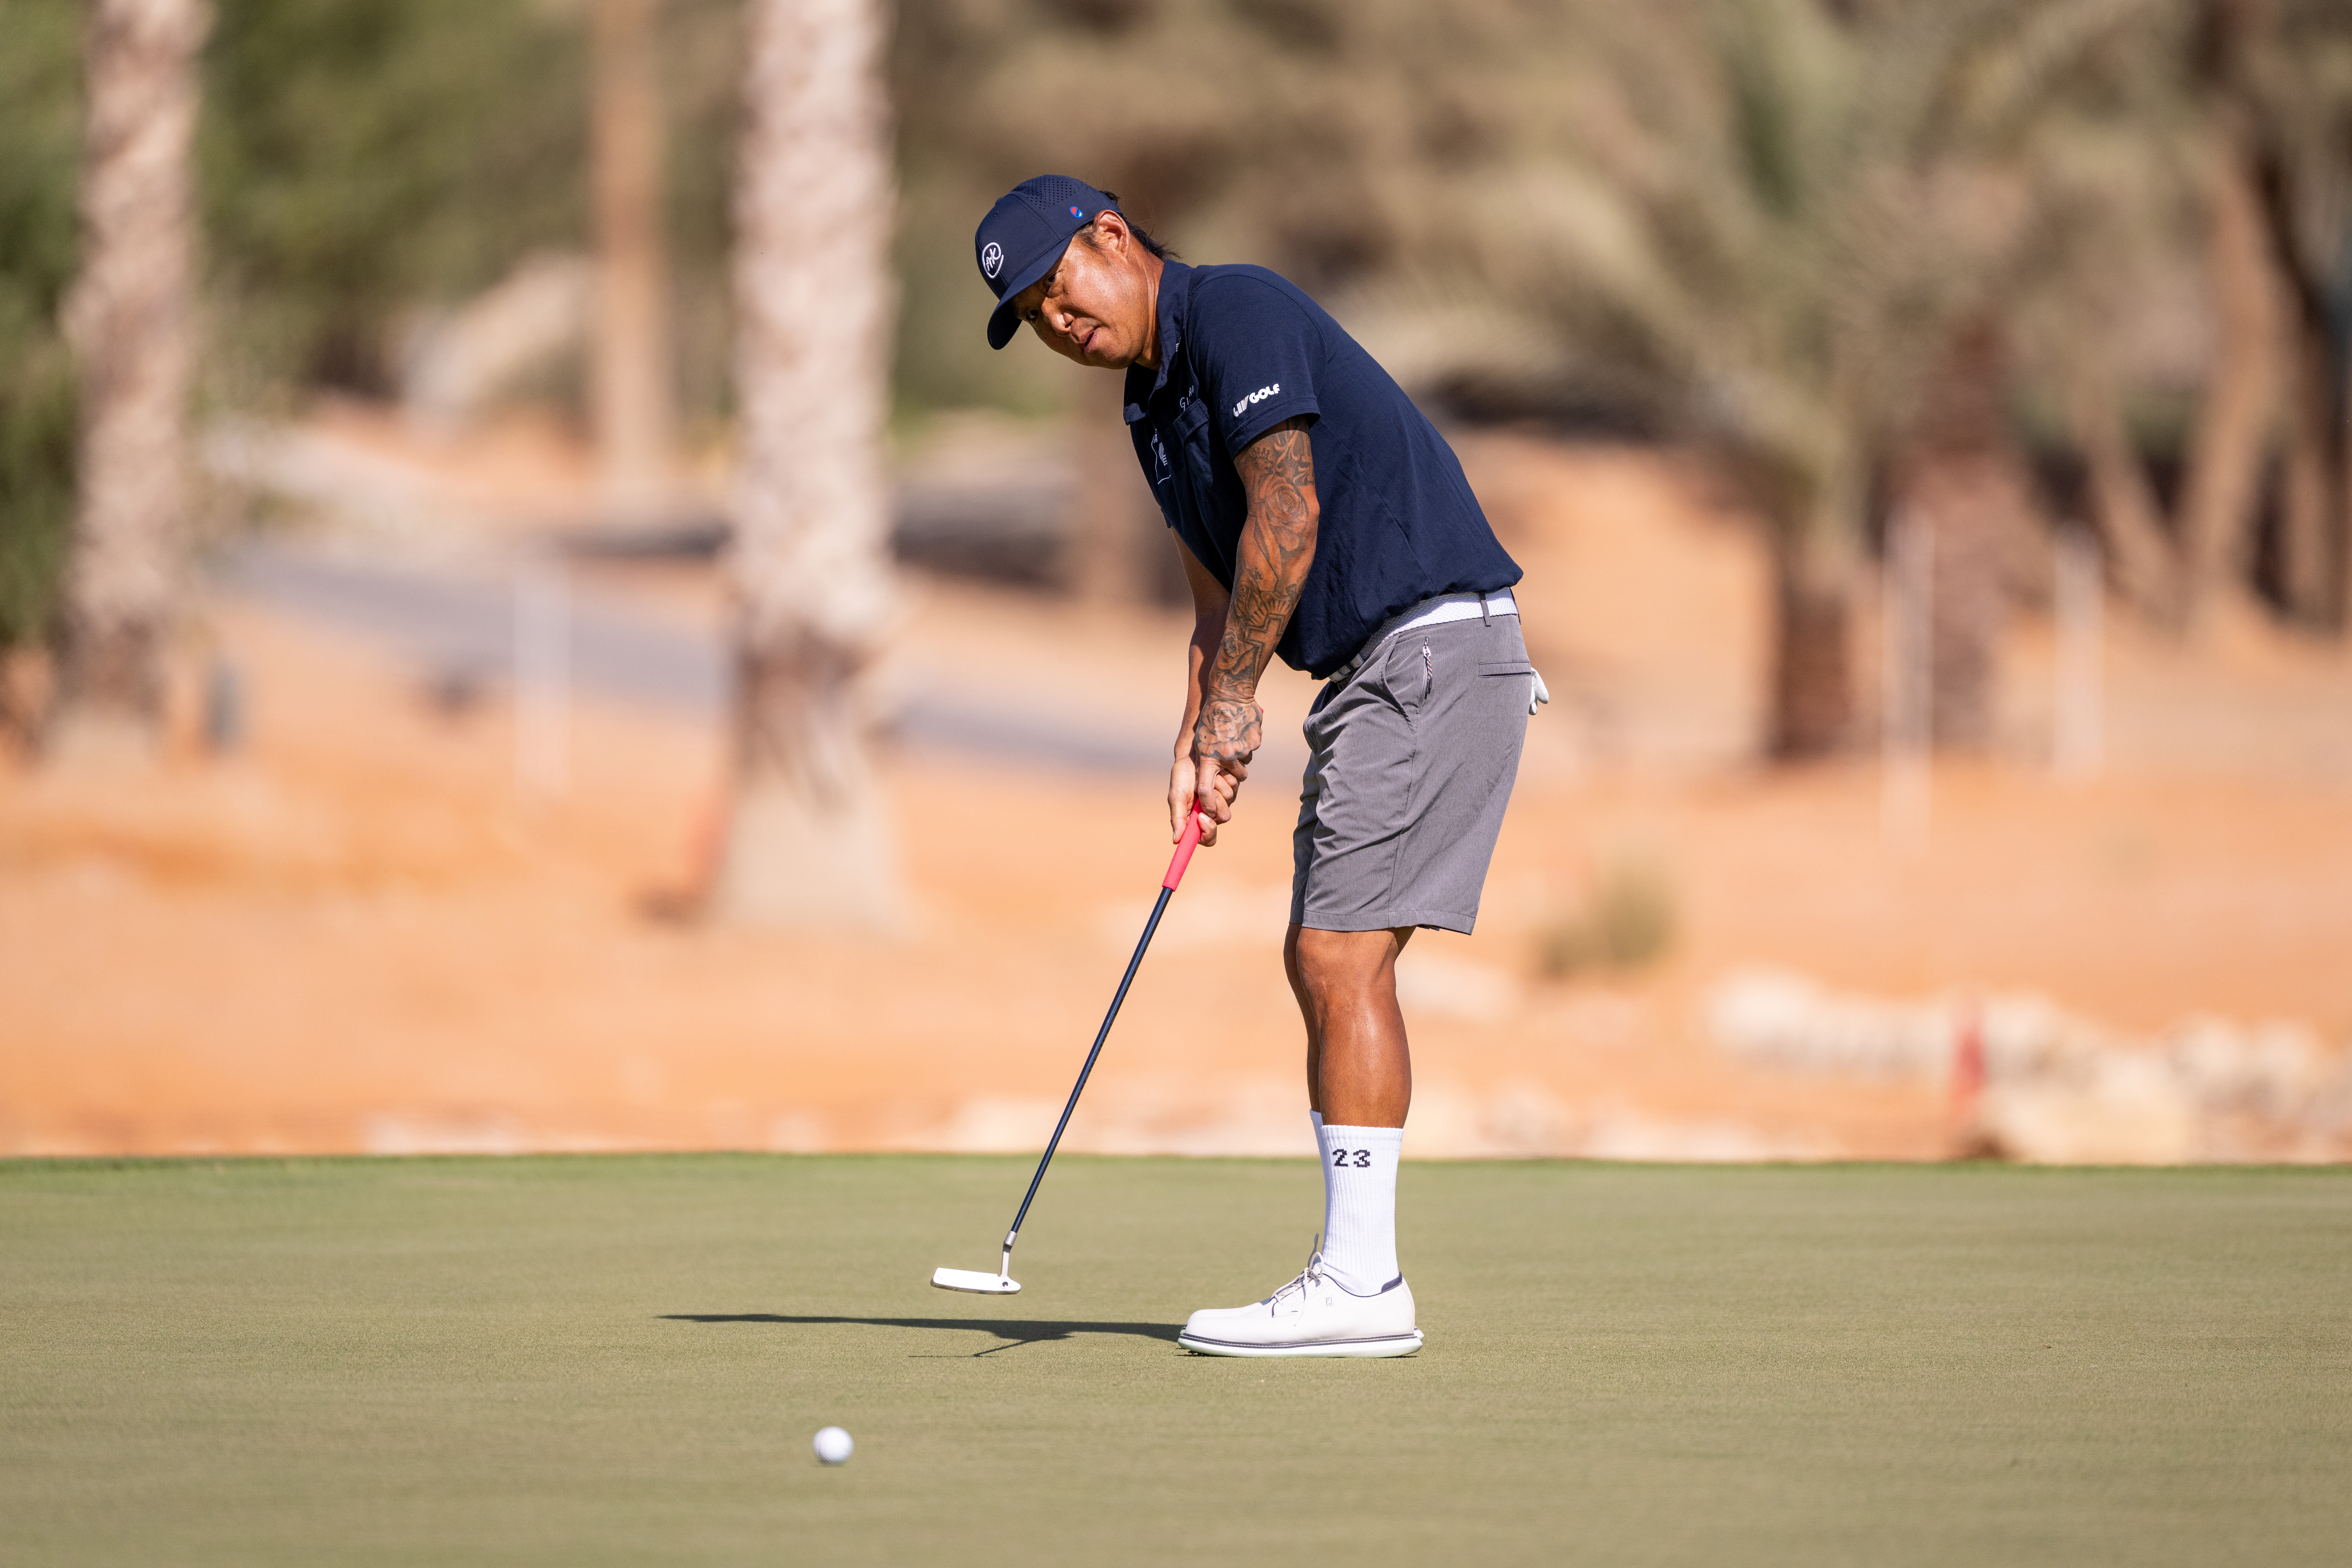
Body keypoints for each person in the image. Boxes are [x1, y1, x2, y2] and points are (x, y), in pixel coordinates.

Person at [973, 176, 1542, 1357]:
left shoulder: (1239, 312)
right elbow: (1218, 594)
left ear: (1114, 239)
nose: (1058, 324)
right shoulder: (1148, 407)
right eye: (1033, 315)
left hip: (1431, 646)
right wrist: (1199, 738)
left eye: (1060, 288)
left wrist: (1238, 699)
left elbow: (1288, 509)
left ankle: (1364, 1281)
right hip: (1380, 670)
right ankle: (1359, 1271)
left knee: (1339, 952)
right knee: (1324, 957)